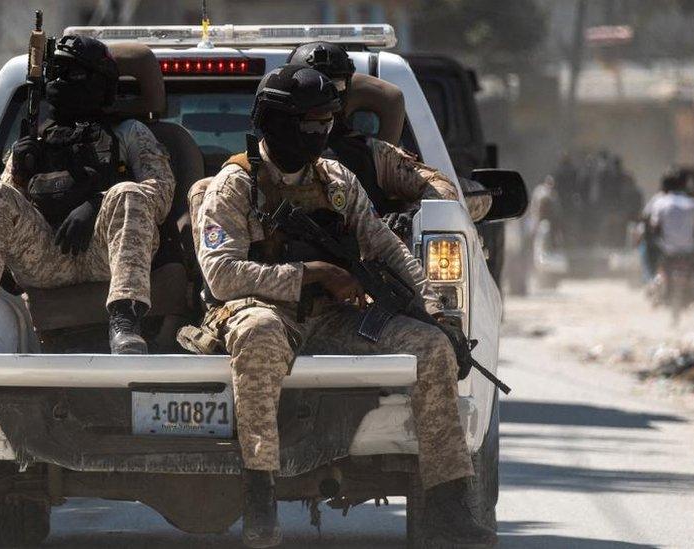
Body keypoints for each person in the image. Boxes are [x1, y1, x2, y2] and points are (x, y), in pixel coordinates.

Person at [182, 65, 496, 548]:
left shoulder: (335, 179)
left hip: (331, 318)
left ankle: (449, 507)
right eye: (309, 122)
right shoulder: (235, 184)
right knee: (257, 332)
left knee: (431, 347)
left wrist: (433, 308)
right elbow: (221, 276)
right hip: (265, 311)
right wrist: (308, 275)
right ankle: (260, 496)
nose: (320, 133)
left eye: (327, 121)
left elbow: (388, 247)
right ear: (275, 121)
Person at [0, 35, 175, 354]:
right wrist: (19, 171)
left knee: (129, 192)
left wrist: (96, 203)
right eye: (56, 73)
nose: (61, 82)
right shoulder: (37, 137)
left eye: (72, 75)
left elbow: (161, 194)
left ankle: (125, 324)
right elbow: (1, 211)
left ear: (99, 85)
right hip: (47, 256)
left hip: (105, 254)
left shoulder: (128, 132)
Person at [286, 41, 491, 240]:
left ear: (347, 87)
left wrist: (412, 216)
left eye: (335, 85)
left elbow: (439, 188)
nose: (323, 95)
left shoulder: (373, 154)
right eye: (310, 86)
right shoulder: (266, 152)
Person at [646, 173, 694, 263]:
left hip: (667, 248)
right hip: (690, 248)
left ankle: (651, 274)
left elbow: (654, 227)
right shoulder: (693, 203)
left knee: (648, 245)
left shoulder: (660, 202)